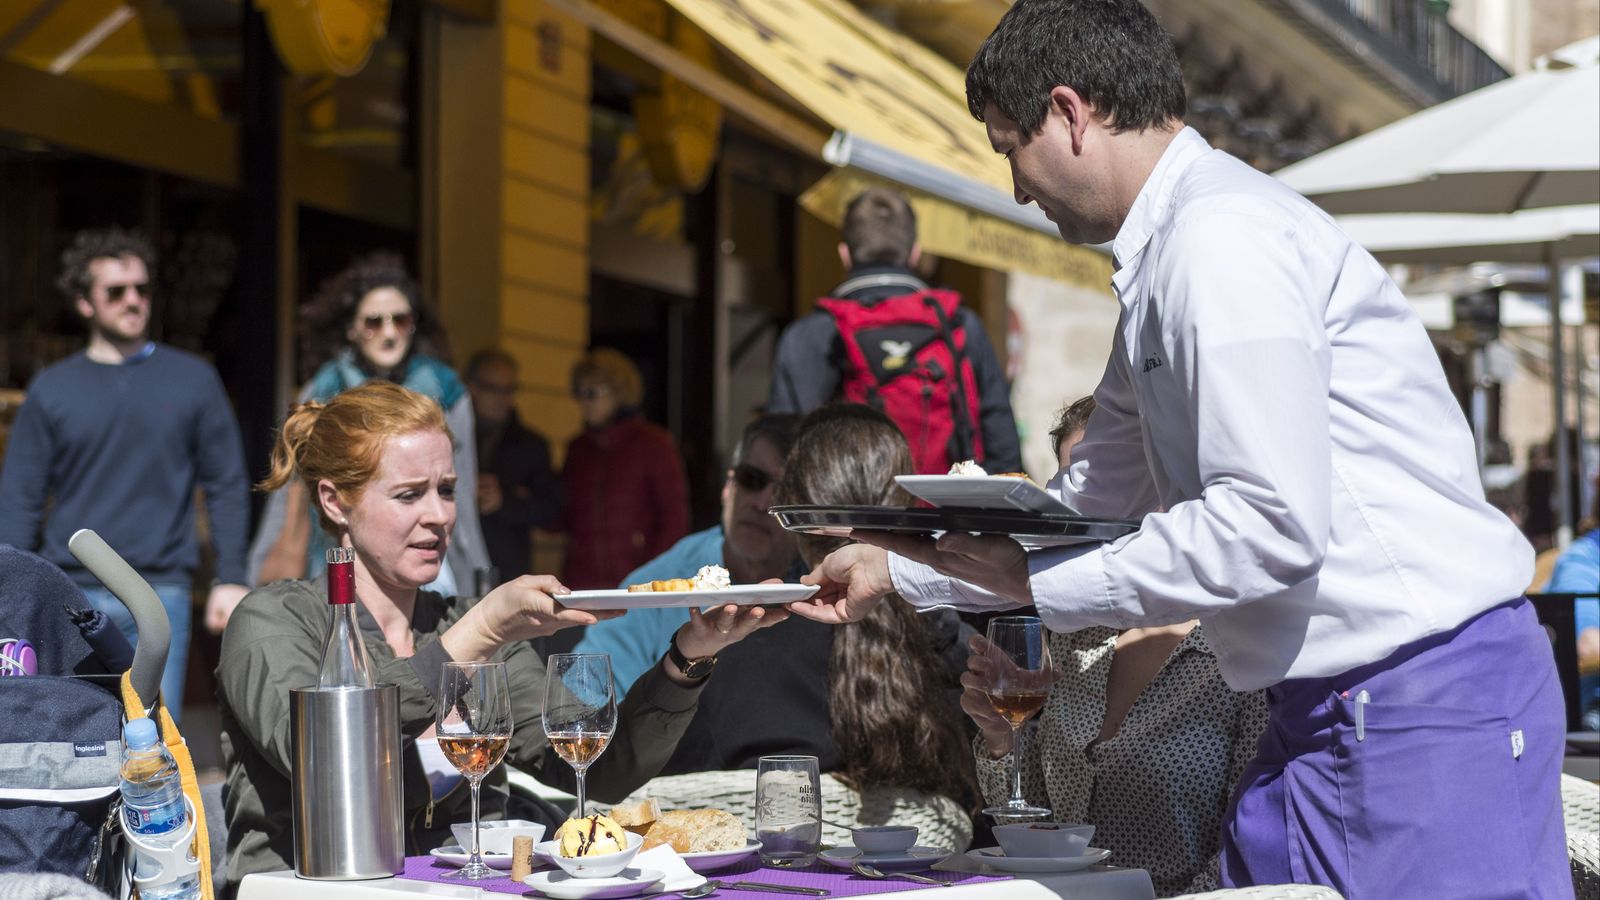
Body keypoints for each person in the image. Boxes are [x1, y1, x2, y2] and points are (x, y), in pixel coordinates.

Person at [787, 2, 1569, 896]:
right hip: (1333, 712)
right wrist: (897, 568)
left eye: (1010, 148)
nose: (1015, 189)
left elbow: (1266, 527)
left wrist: (1021, 585)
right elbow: (1089, 504)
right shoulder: (1171, 260)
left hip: (1411, 703)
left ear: (1071, 112)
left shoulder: (1218, 240)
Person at [216, 382, 782, 885]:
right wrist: (482, 629)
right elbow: (316, 754)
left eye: (447, 489)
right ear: (336, 501)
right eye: (409, 494)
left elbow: (591, 770)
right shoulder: (273, 621)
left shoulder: (461, 621)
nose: (438, 515)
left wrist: (686, 661)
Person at [962, 395, 1266, 895]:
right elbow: (1042, 830)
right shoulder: (1074, 634)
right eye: (1075, 495)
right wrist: (1002, 739)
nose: (1091, 515)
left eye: (1111, 486)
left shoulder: (1241, 646)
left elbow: (1252, 843)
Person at [0, 227, 250, 716]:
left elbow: (226, 483)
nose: (133, 301)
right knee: (68, 735)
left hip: (159, 593)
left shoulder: (194, 380)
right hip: (66, 590)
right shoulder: (52, 389)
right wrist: (10, 592)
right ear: (85, 303)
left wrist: (231, 576)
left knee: (155, 744)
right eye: (116, 291)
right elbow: (20, 498)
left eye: (142, 288)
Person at [246, 252, 489, 600]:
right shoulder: (325, 389)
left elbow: (461, 493)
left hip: (428, 557)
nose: (389, 333)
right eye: (374, 322)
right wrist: (259, 565)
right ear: (352, 330)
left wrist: (478, 576)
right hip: (339, 554)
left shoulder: (447, 391)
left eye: (401, 320)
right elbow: (292, 488)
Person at [767, 187, 1022, 475]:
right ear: (915, 253)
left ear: (844, 254)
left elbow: (780, 446)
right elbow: (1002, 441)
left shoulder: (809, 334)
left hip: (848, 516)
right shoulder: (958, 324)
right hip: (944, 513)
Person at [573, 413, 803, 693]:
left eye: (784, 494)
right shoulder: (660, 583)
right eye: (752, 479)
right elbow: (583, 697)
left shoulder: (824, 589)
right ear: (728, 487)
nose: (762, 502)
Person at [559, 348, 690, 591]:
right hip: (582, 584)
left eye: (592, 393)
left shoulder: (654, 443)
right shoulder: (578, 449)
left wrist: (654, 577)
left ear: (619, 392)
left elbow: (674, 519)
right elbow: (563, 516)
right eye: (578, 393)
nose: (583, 402)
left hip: (639, 584)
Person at [465, 349, 561, 581]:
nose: (503, 399)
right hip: (459, 564)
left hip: (509, 569)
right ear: (472, 388)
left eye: (509, 390)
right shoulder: (451, 437)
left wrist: (504, 501)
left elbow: (551, 506)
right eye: (493, 389)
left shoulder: (532, 445)